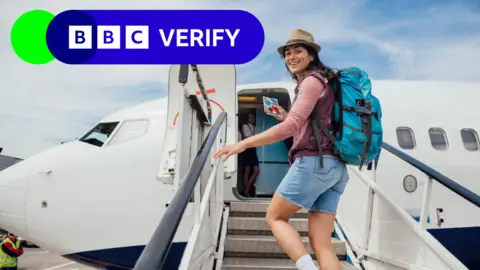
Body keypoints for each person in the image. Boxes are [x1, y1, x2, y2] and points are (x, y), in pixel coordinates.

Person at [214, 29, 349, 270]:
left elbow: (291, 128)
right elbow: (308, 126)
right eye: (288, 53)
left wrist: (242, 143)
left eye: (298, 51)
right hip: (336, 168)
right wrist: (286, 115)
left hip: (313, 163)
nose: (292, 56)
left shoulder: (311, 81)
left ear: (311, 56)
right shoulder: (327, 83)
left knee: (275, 217)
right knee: (322, 244)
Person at [240, 111, 260, 197]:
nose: (251, 119)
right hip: (247, 149)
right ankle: (246, 191)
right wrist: (257, 137)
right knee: (247, 171)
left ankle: (246, 190)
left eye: (252, 117)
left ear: (254, 118)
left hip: (253, 149)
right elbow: (245, 137)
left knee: (256, 171)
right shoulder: (245, 126)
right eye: (249, 118)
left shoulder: (255, 127)